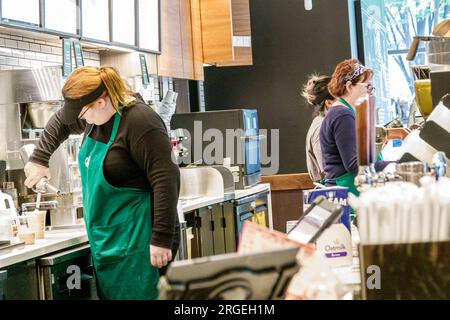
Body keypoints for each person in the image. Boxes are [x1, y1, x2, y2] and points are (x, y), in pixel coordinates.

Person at [23, 66, 180, 300]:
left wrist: (161, 239)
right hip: (109, 242)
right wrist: (39, 158)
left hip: (142, 242)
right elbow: (62, 123)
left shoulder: (141, 121)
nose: (81, 119)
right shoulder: (95, 119)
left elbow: (166, 179)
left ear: (101, 101)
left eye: (83, 111)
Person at [320, 59, 389, 196]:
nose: (370, 91)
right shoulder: (342, 115)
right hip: (346, 193)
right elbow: (355, 165)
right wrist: (396, 165)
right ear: (349, 86)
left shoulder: (344, 112)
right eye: (367, 86)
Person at [302, 75, 335, 182]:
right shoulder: (321, 126)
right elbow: (327, 169)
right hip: (330, 191)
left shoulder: (323, 122)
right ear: (329, 103)